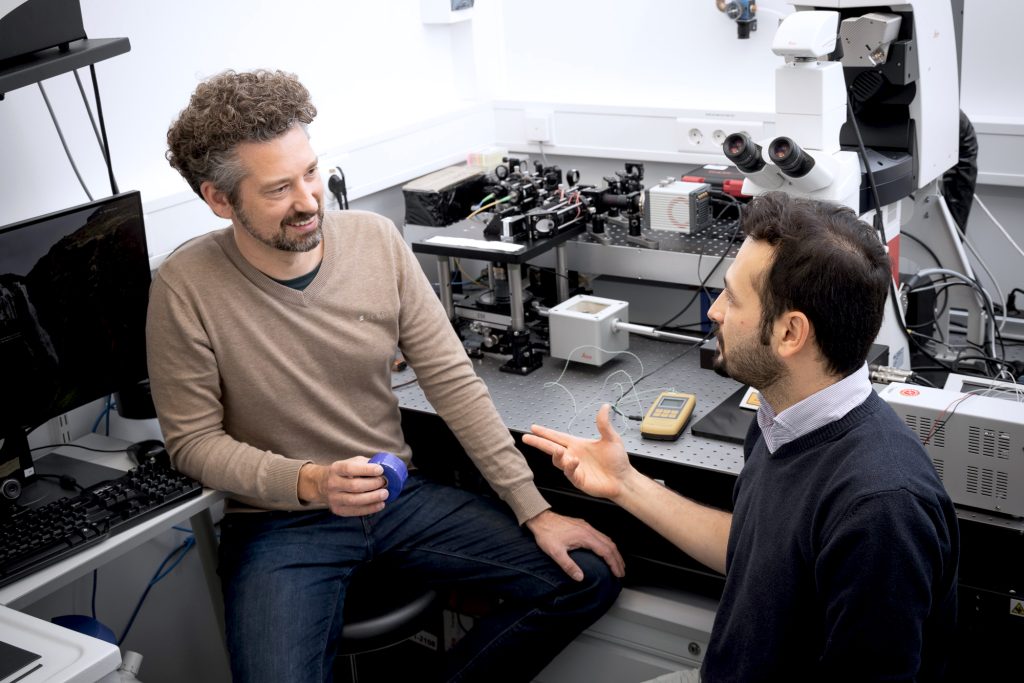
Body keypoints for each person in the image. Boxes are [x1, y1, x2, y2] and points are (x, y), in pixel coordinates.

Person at [148, 69, 623, 682]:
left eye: (312, 172)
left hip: (398, 499)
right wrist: (311, 483)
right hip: (280, 524)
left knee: (587, 579)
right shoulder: (183, 286)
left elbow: (453, 382)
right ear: (219, 199)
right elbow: (192, 444)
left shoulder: (375, 241)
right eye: (278, 190)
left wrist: (533, 508)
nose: (309, 200)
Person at [525, 192, 959, 682]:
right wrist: (626, 482)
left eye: (731, 298)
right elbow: (756, 553)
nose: (714, 313)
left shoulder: (881, 511)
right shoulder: (783, 416)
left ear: (791, 333)